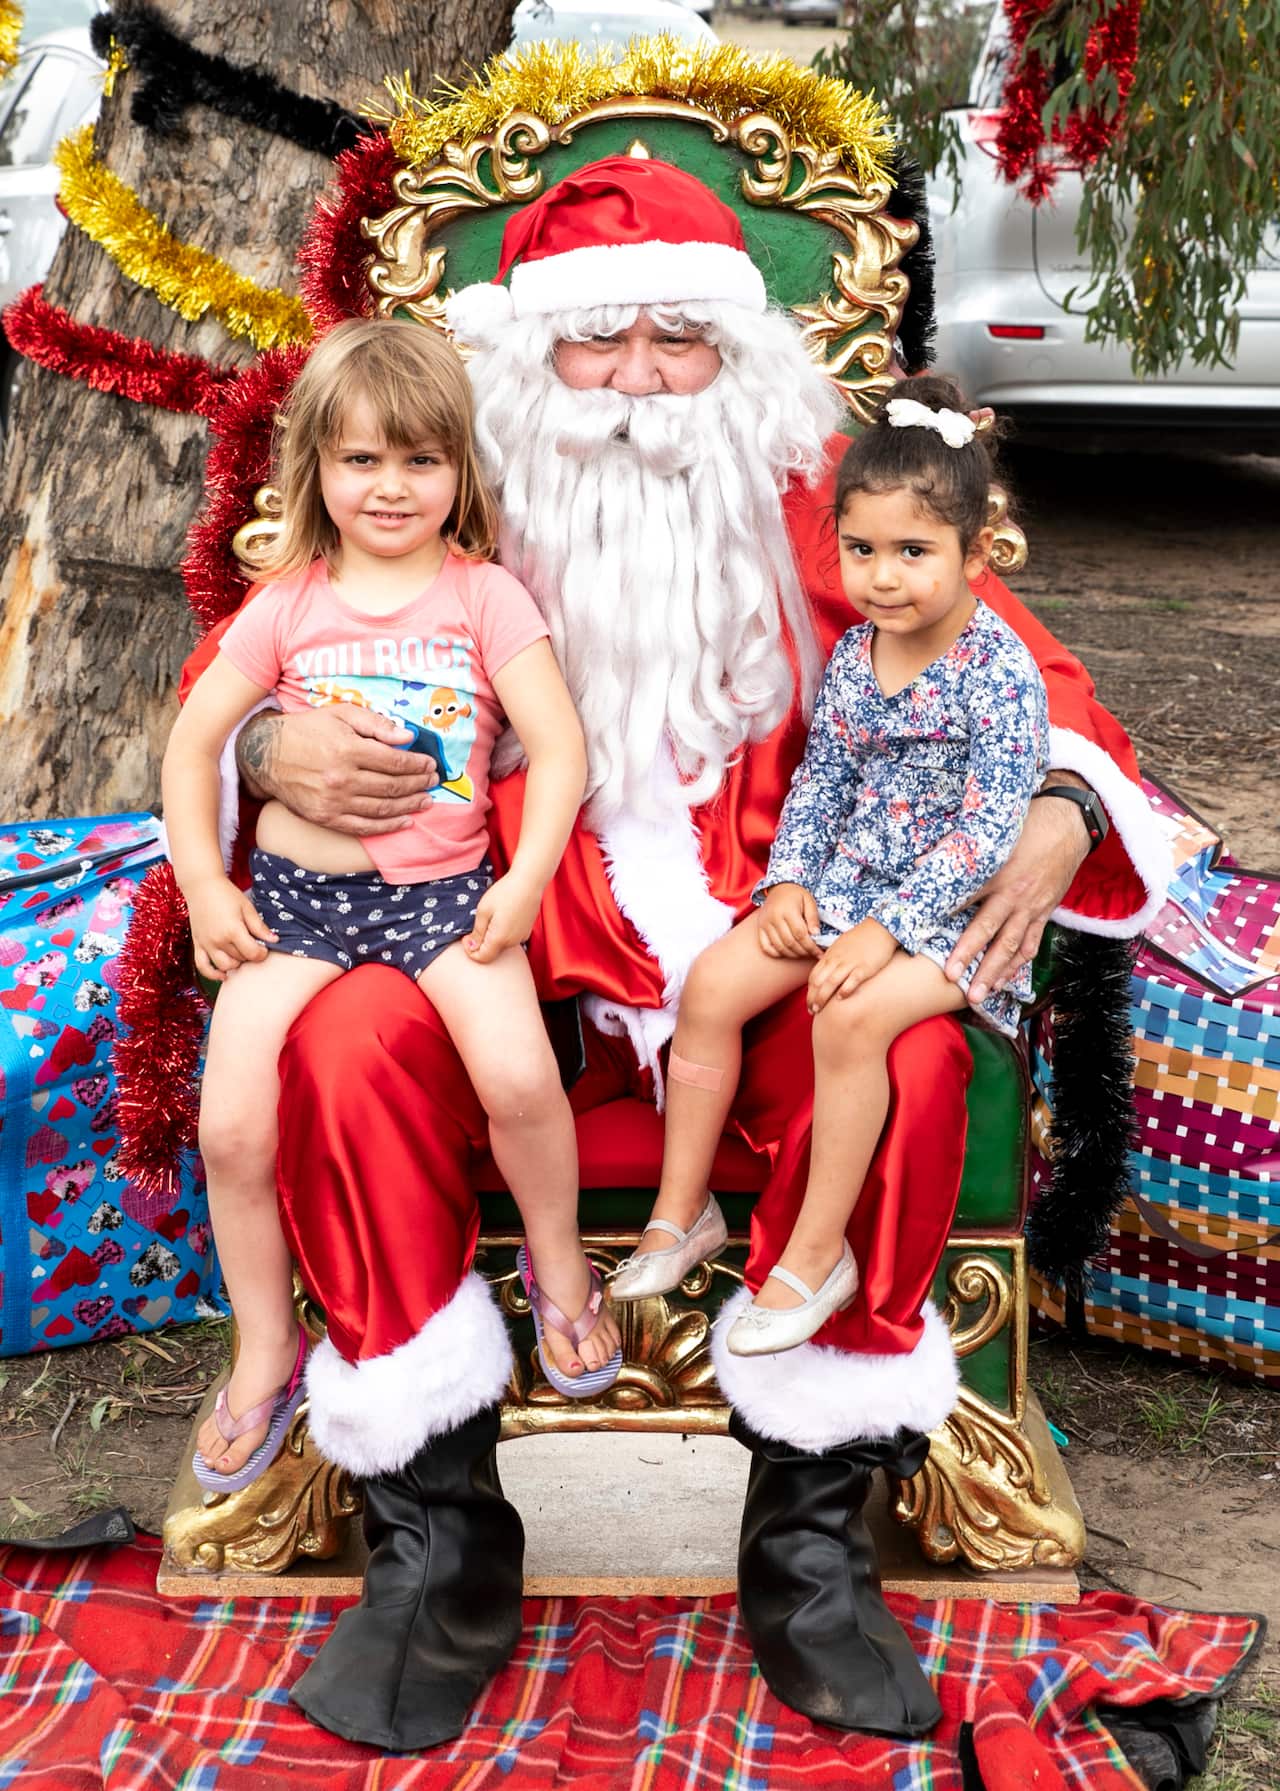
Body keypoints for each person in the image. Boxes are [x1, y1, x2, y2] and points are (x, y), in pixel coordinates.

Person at [182, 157, 1170, 1749]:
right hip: (483, 919)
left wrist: (1059, 797)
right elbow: (254, 672)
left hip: (770, 926)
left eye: (677, 341)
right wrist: (277, 755)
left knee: (913, 1053)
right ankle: (438, 1541)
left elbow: (1027, 668)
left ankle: (811, 1537)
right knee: (346, 1044)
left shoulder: (816, 501)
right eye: (597, 344)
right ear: (529, 357)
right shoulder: (450, 497)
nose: (637, 382)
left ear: (741, 356)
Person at [163, 318, 618, 1497]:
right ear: (314, 465)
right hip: (301, 909)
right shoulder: (287, 605)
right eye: (361, 460)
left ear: (460, 471)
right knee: (231, 1127)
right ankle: (268, 1342)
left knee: (521, 1081)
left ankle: (559, 1273)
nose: (391, 486)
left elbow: (558, 751)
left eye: (420, 460)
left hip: (444, 898)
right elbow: (193, 745)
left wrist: (520, 886)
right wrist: (209, 885)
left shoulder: (484, 597)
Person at [610, 379, 1049, 1358]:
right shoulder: (856, 655)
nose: (883, 577)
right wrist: (789, 887)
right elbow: (818, 786)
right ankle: (680, 1214)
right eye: (861, 551)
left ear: (975, 553)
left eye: (912, 553)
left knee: (848, 1017)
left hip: (951, 925)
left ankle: (814, 1254)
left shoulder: (998, 672)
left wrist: (884, 930)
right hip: (846, 895)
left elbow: (985, 833)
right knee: (716, 984)